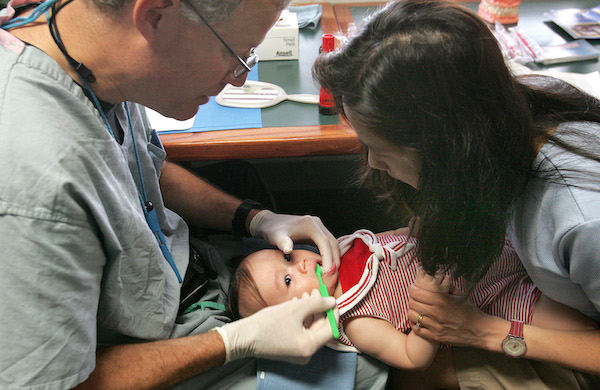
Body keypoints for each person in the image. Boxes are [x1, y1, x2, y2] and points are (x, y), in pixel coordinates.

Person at [0, 0, 344, 388]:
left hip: (191, 279)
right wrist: (235, 341)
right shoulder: (29, 181)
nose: (239, 79)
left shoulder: (98, 59)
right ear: (154, 16)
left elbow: (145, 168)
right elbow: (59, 382)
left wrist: (253, 217)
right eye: (235, 53)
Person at [312, 0, 600, 387]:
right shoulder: (511, 116)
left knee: (402, 377)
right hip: (544, 301)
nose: (376, 165)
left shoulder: (581, 218)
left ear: (447, 148)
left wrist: (483, 331)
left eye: (381, 151)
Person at [227, 229, 595, 376]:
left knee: (557, 261)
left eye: (287, 257)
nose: (303, 262)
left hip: (486, 254)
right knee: (583, 325)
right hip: (500, 303)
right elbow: (412, 357)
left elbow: (396, 239)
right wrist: (427, 311)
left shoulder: (342, 249)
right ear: (298, 319)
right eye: (289, 279)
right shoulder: (355, 317)